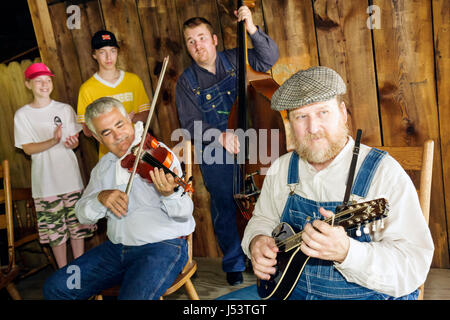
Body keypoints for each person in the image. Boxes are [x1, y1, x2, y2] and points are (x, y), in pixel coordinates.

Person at [218, 66, 434, 300]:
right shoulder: (282, 169)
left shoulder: (383, 173)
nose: (313, 128)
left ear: (342, 113)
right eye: (301, 117)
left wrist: (348, 253)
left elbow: (413, 266)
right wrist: (257, 242)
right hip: (290, 291)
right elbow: (262, 219)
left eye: (322, 112)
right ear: (290, 122)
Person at [43, 97, 195, 300]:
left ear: (129, 119)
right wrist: (99, 198)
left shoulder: (158, 154)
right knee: (57, 287)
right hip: (115, 253)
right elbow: (81, 213)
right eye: (106, 132)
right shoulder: (102, 169)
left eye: (120, 124)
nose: (117, 136)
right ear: (98, 138)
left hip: (162, 248)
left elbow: (185, 212)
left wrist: (170, 194)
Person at [176, 5, 279, 286]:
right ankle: (234, 262)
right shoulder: (187, 82)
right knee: (225, 204)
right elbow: (189, 124)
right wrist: (221, 137)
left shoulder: (236, 58)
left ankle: (268, 255)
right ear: (188, 47)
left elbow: (269, 57)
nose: (198, 45)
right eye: (191, 41)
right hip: (216, 150)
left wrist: (251, 29)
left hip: (254, 143)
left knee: (265, 198)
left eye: (201, 37)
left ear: (214, 39)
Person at [14, 62, 96, 269]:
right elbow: (27, 149)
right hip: (46, 185)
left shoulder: (65, 109)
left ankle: (79, 268)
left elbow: (74, 141)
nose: (44, 85)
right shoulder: (22, 115)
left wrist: (72, 143)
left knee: (77, 228)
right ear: (28, 84)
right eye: (38, 81)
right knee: (55, 232)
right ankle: (63, 271)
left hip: (70, 180)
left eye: (48, 80)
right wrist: (52, 141)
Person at [77, 30, 151, 159]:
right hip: (110, 153)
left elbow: (146, 114)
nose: (108, 57)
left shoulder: (133, 80)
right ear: (94, 55)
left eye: (112, 50)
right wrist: (109, 125)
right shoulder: (87, 89)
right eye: (102, 52)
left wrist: (127, 120)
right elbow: (87, 130)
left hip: (138, 147)